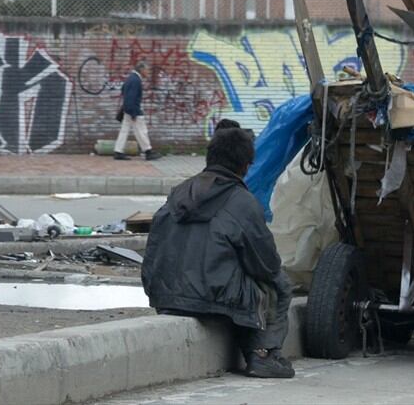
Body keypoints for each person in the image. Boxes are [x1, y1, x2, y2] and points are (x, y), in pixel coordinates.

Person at [141, 120, 294, 379]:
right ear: (246, 166)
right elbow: (266, 265)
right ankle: (261, 354)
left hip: (164, 294)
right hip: (211, 298)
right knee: (279, 285)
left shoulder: (179, 192)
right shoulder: (242, 202)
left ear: (209, 157)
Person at [114, 62, 162, 161]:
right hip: (133, 110)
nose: (147, 72)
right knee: (141, 130)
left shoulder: (130, 78)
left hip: (128, 109)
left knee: (124, 130)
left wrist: (128, 109)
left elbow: (123, 90)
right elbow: (131, 97)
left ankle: (118, 151)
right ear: (141, 70)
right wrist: (133, 112)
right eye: (147, 70)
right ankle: (148, 152)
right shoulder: (136, 80)